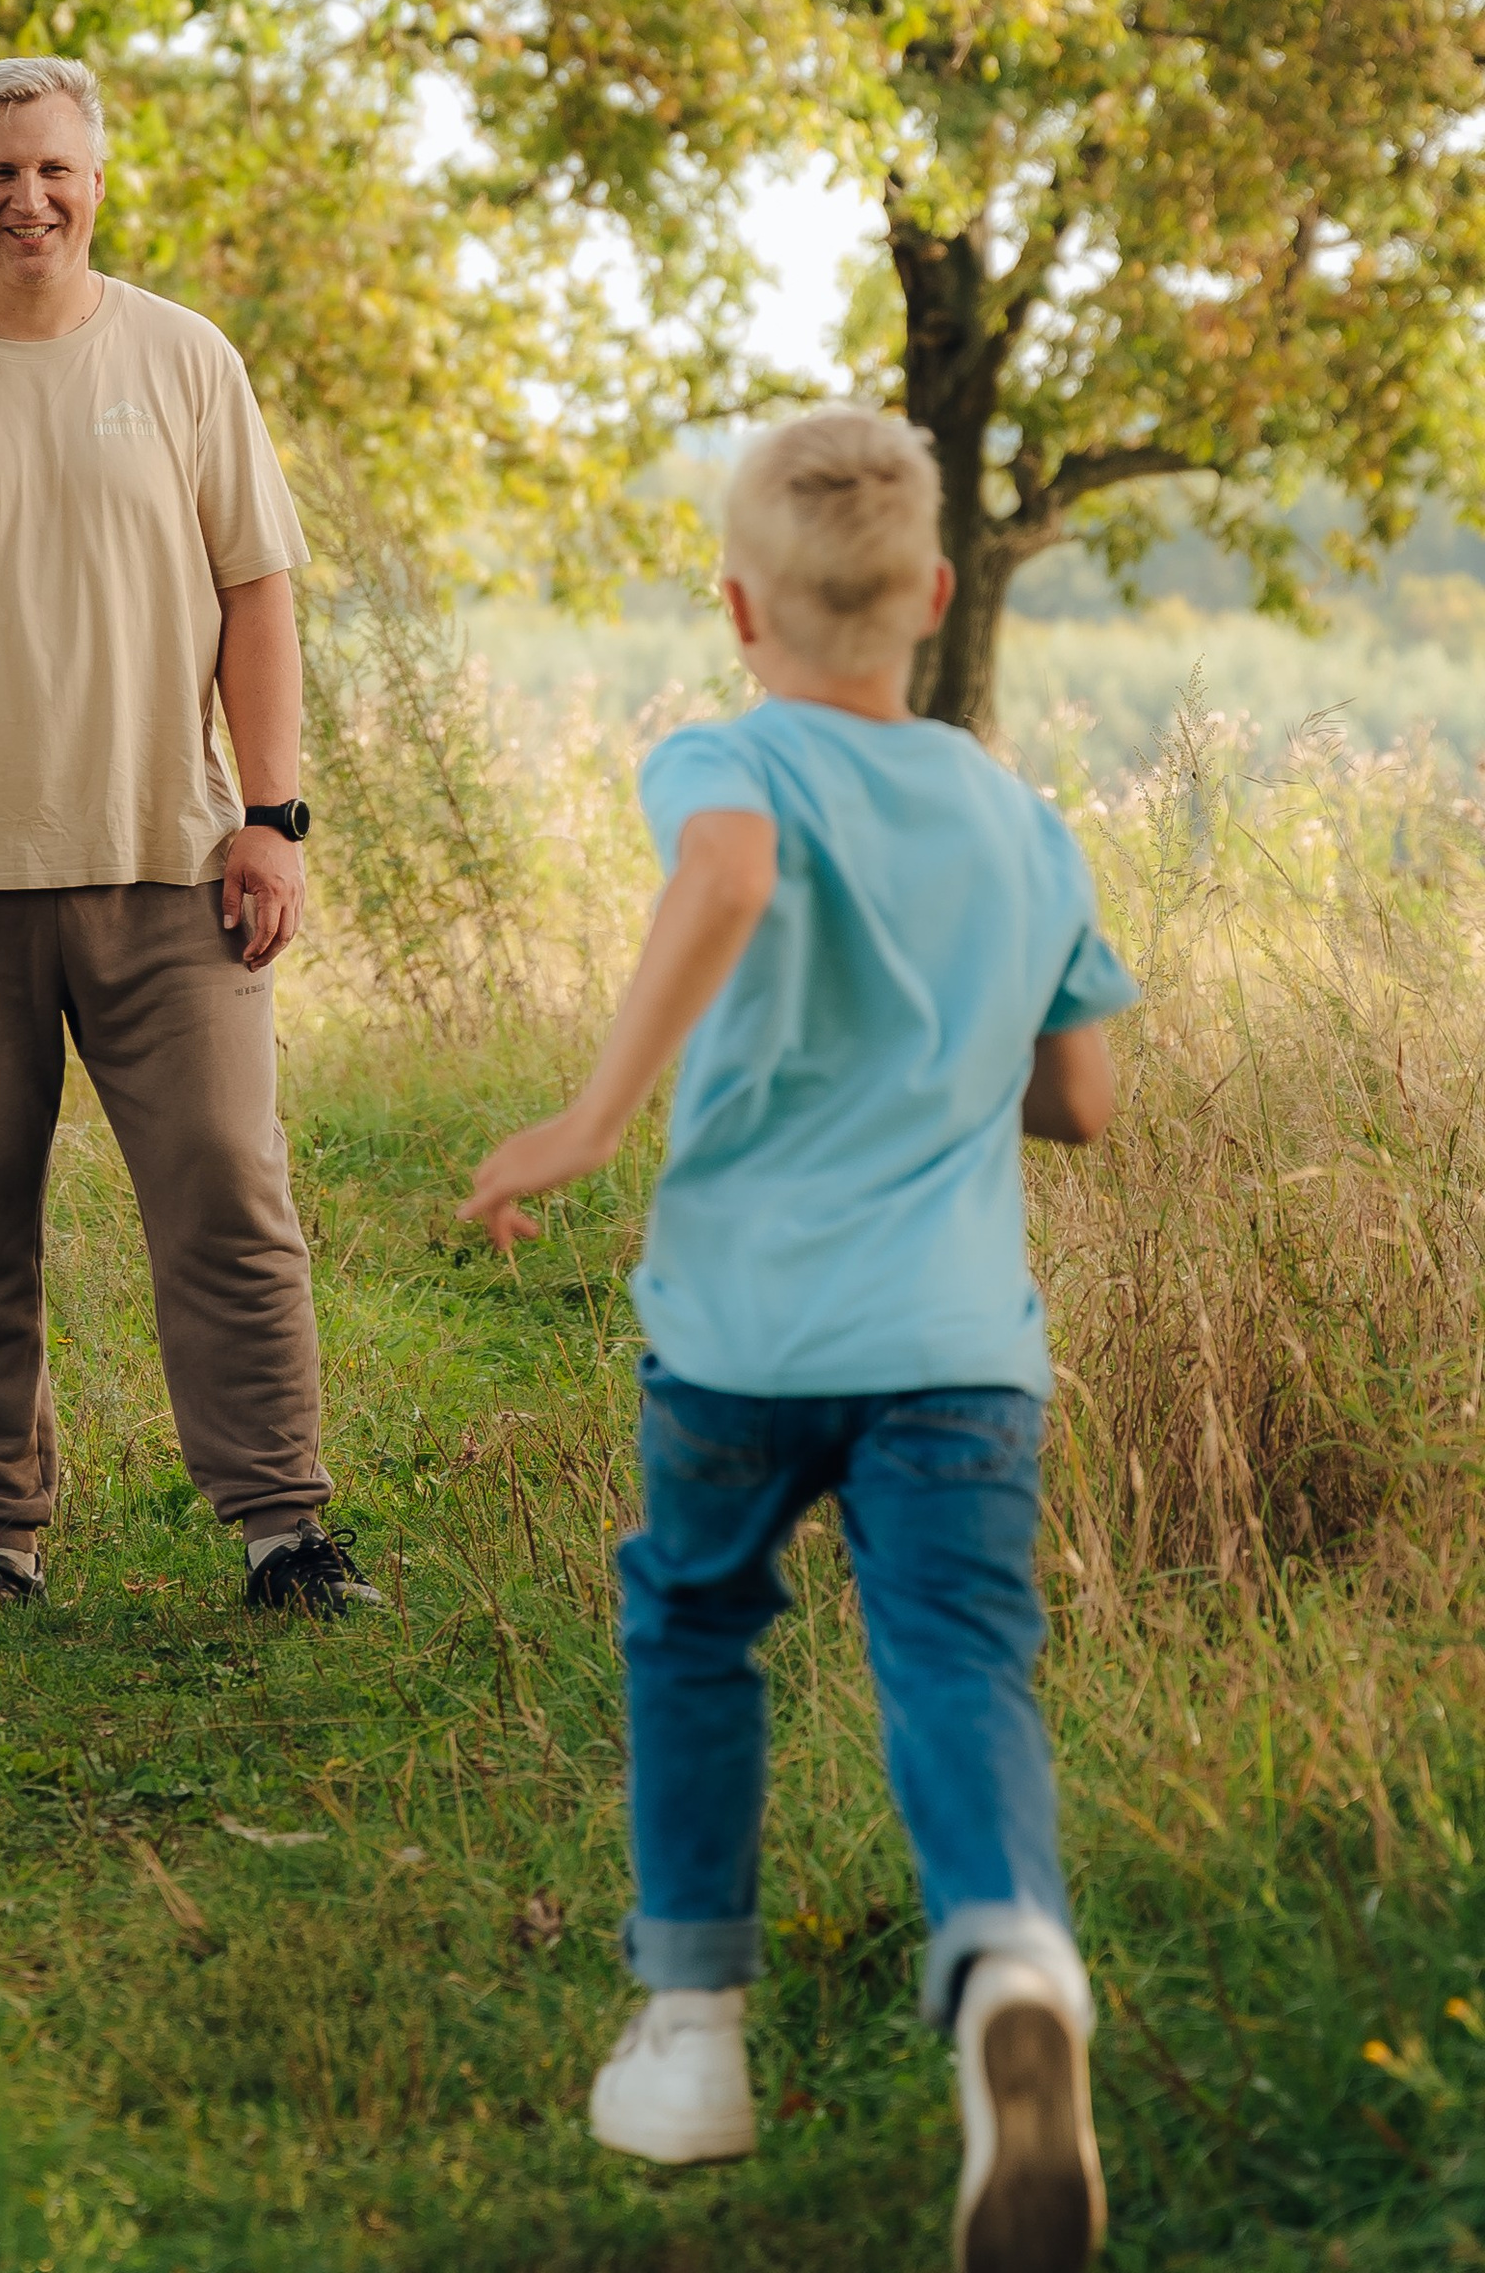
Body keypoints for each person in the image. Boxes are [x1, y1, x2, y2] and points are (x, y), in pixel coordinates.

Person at [462, 407, 1136, 2273]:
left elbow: (737, 874)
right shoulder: (1023, 819)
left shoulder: (725, 757)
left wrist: (588, 1123)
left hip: (746, 1334)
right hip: (957, 1350)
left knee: (693, 1626)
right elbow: (1080, 1100)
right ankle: (1011, 1954)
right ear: (929, 594)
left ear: (741, 604)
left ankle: (690, 2037)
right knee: (959, 1666)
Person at [0, 53, 378, 1627]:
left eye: (54, 169)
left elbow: (259, 599)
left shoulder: (185, 362)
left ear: (98, 182)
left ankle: (283, 1534)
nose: (26, 197)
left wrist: (272, 818)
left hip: (169, 865)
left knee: (228, 1192)